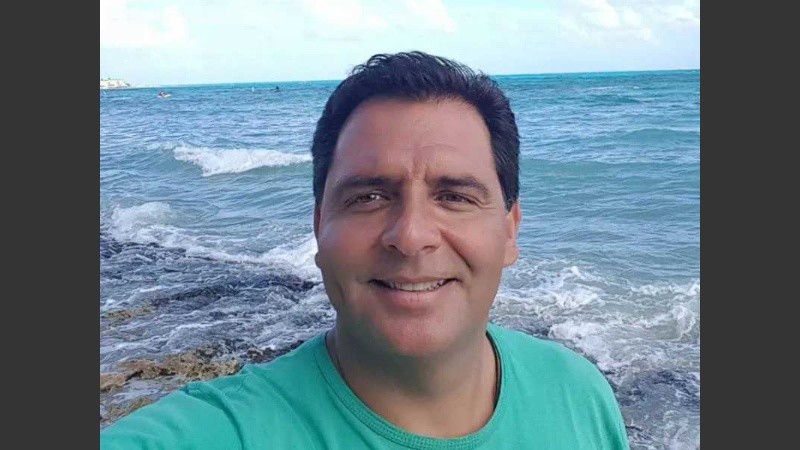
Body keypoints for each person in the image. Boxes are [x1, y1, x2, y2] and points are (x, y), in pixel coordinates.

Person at [101, 51, 629, 449]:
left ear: (510, 230)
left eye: (455, 196)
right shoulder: (209, 433)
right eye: (370, 196)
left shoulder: (578, 394)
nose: (411, 235)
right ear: (319, 226)